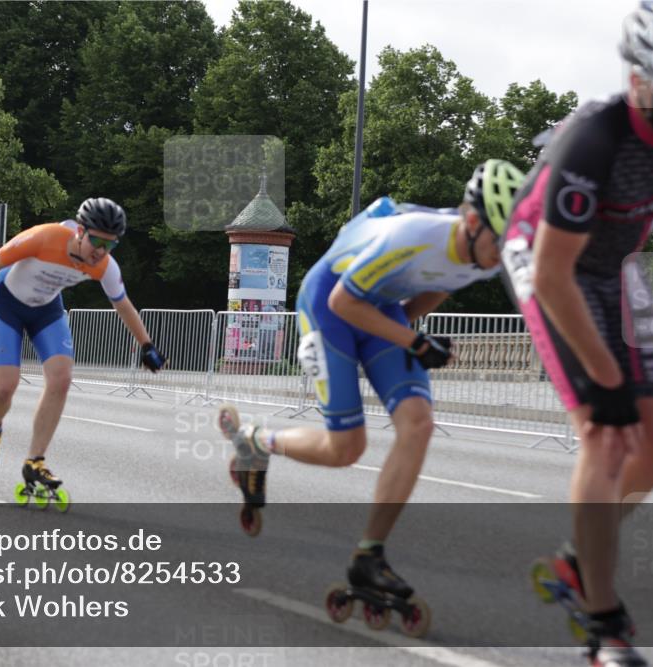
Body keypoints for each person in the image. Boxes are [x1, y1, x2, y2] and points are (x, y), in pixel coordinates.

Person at [218, 160, 525, 597]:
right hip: (329, 305)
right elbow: (344, 302)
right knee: (347, 448)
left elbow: (445, 282)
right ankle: (255, 441)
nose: (502, 255)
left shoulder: (488, 252)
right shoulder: (415, 236)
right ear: (472, 221)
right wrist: (414, 344)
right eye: (500, 240)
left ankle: (369, 555)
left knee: (418, 424)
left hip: (380, 308)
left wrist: (396, 340)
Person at [501, 3, 653, 664]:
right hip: (549, 260)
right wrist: (607, 379)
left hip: (620, 265)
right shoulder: (594, 137)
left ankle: (578, 557)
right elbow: (554, 274)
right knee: (607, 432)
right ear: (640, 82)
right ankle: (601, 620)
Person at [0, 197, 166, 497]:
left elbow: (123, 305)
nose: (101, 251)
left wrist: (146, 345)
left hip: (46, 310)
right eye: (95, 241)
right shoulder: (46, 237)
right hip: (6, 304)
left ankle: (35, 460)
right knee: (6, 385)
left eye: (110, 245)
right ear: (79, 231)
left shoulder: (104, 265)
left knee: (62, 379)